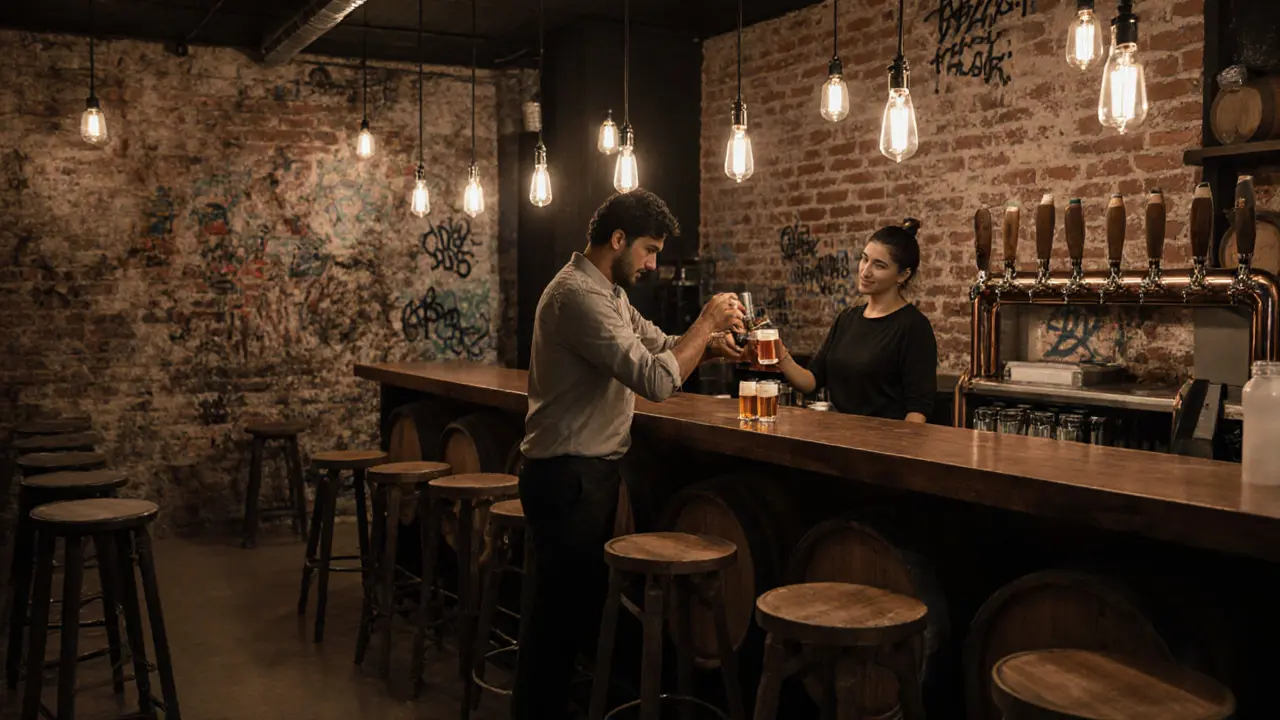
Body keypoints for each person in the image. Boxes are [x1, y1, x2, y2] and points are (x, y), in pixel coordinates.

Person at [512, 189, 746, 720]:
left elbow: (659, 344)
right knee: (554, 628)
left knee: (576, 618)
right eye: (648, 250)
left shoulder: (608, 293)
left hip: (588, 477)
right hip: (565, 479)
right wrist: (707, 320)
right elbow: (656, 380)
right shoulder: (577, 296)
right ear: (618, 240)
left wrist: (707, 345)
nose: (652, 263)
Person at [768, 218, 938, 422]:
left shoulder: (914, 327)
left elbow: (917, 411)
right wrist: (778, 352)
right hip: (839, 440)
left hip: (883, 446)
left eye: (879, 265)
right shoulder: (847, 319)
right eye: (864, 259)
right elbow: (812, 381)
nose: (865, 271)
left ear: (902, 275)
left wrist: (895, 451)